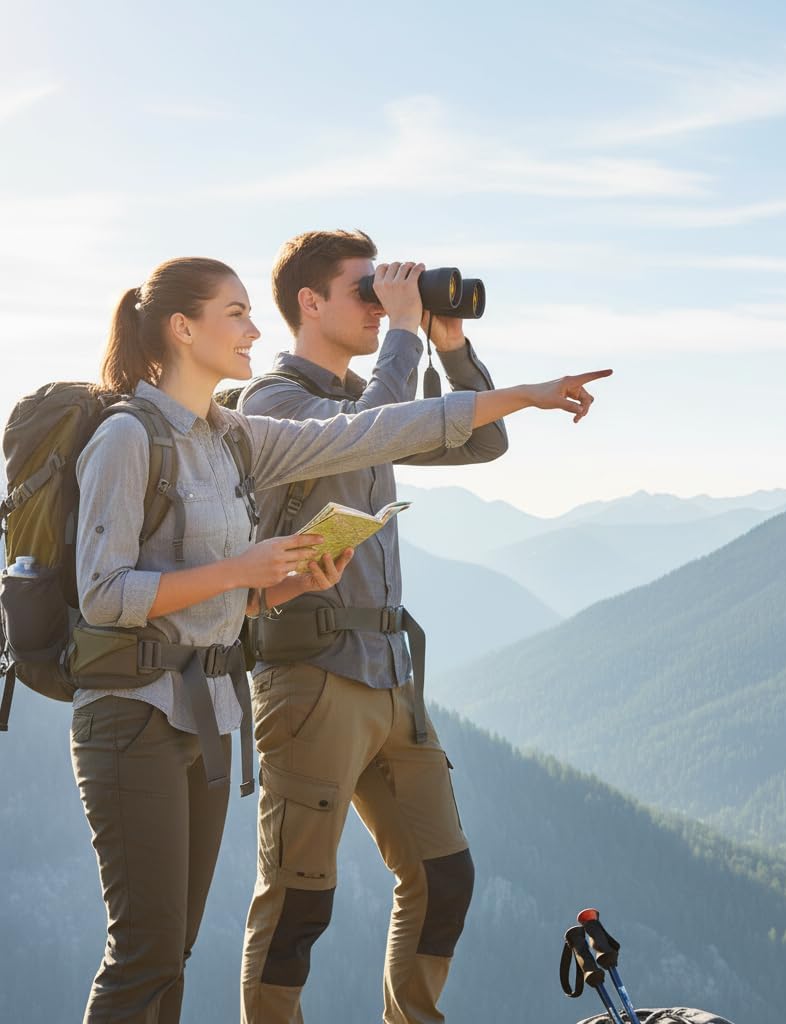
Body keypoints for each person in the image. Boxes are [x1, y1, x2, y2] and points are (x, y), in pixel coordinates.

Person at [70, 254, 609, 1023]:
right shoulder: (201, 419)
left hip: (233, 699)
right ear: (183, 328)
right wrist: (242, 570)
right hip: (178, 702)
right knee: (179, 941)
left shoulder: (232, 436)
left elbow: (392, 430)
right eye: (236, 313)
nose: (252, 326)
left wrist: (499, 381)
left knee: (173, 947)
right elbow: (104, 593)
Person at [235, 230, 506, 1024]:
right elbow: (364, 440)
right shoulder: (274, 405)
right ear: (309, 304)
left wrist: (449, 348)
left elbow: (485, 439)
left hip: (391, 677)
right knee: (296, 906)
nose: (383, 305)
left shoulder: (367, 397)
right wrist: (400, 335)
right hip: (312, 679)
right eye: (367, 291)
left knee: (443, 876)